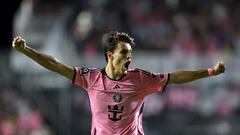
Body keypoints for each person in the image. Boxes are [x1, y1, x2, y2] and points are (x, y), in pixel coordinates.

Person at [12, 31, 226, 135]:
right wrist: (26, 50)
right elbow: (55, 65)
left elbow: (175, 77)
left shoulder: (140, 79)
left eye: (131, 53)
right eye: (124, 52)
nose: (129, 57)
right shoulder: (91, 78)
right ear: (109, 56)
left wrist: (209, 72)